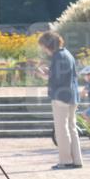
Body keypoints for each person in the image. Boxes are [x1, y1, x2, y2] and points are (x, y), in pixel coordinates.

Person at [37, 31, 82, 170]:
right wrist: (49, 73)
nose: (43, 49)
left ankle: (65, 161)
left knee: (62, 130)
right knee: (72, 128)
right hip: (72, 96)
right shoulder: (67, 54)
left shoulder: (57, 56)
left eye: (43, 46)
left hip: (61, 97)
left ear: (48, 45)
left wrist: (43, 75)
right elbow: (64, 76)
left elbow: (56, 79)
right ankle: (77, 160)